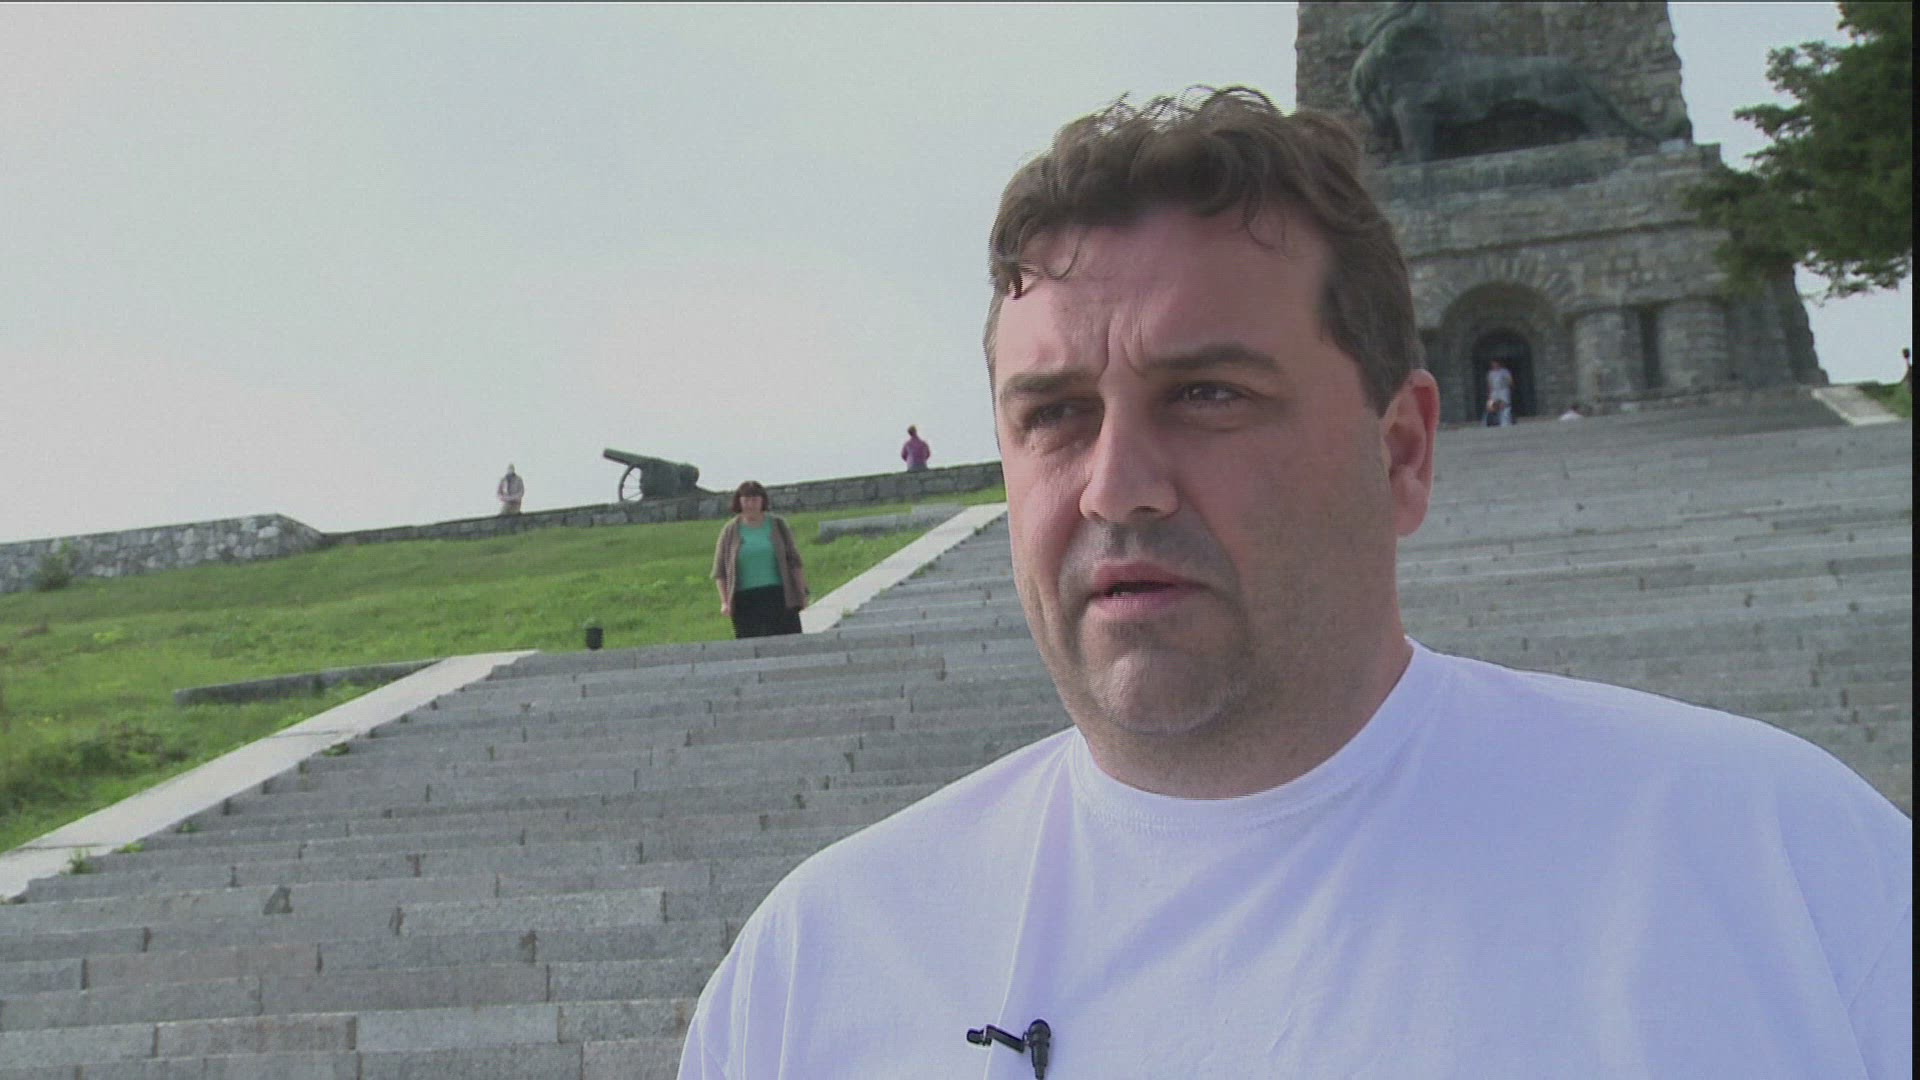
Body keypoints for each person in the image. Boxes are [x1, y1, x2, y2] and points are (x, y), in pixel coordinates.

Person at [679, 88, 1909, 1078]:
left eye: (1209, 394)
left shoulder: (1789, 871)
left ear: (1402, 452)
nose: (1117, 487)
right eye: (1053, 414)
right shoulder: (815, 974)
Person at [710, 480, 808, 639]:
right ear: (739, 502)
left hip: (779, 596)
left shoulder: (778, 525)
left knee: (788, 642)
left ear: (763, 501)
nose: (750, 505)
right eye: (746, 500)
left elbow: (795, 563)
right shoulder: (730, 530)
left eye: (755, 500)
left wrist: (801, 594)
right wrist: (725, 602)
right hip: (745, 601)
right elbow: (720, 572)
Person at [1485, 357, 1514, 426]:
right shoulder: (1490, 373)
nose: (1494, 365)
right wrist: (1489, 393)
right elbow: (1489, 383)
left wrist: (1510, 388)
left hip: (1503, 390)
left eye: (1495, 363)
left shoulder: (1504, 371)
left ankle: (1505, 422)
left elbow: (1510, 381)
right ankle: (1491, 421)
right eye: (1493, 364)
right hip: (1494, 391)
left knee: (1505, 406)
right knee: (1491, 406)